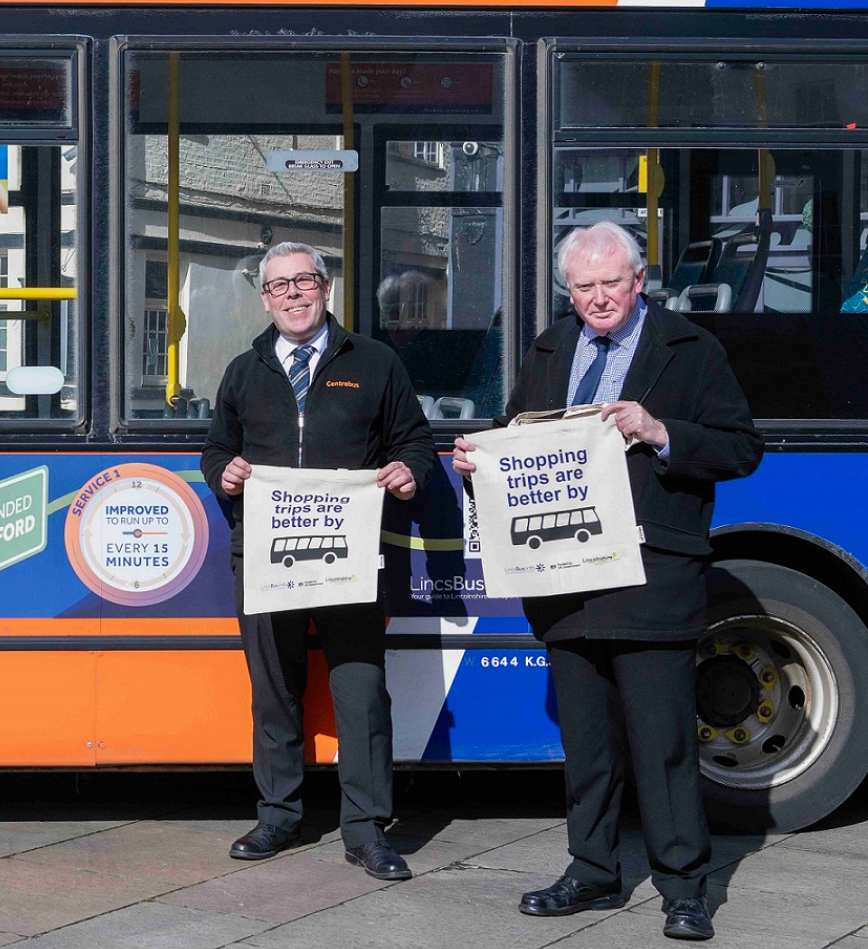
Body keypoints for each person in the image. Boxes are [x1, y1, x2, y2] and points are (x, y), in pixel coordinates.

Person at [453, 221, 761, 942]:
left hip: (651, 577)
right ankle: (592, 871)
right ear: (569, 290)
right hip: (565, 577)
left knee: (663, 744)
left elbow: (743, 447)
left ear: (638, 279)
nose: (597, 298)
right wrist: (480, 464)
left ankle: (685, 889)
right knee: (587, 745)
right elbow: (515, 439)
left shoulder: (690, 348)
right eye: (582, 287)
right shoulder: (550, 347)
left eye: (610, 284)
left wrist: (659, 432)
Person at [200, 241, 435, 880]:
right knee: (275, 688)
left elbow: (415, 441)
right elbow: (215, 449)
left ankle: (366, 828)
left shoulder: (375, 362)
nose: (293, 294)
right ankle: (279, 815)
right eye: (279, 286)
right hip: (265, 552)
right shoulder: (244, 370)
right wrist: (228, 474)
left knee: (359, 690)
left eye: (304, 281)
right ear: (265, 297)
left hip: (349, 552)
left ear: (325, 288)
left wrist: (408, 473)